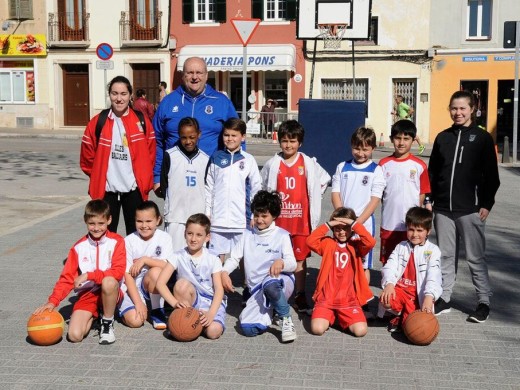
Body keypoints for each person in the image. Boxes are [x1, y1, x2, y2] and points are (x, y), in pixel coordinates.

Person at [428, 90, 500, 323]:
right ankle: (445, 297)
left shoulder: (482, 138)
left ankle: (483, 302)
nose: (458, 113)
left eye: (462, 108)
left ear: (472, 110)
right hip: (443, 209)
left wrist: (487, 203)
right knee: (446, 255)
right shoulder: (442, 137)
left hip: (471, 209)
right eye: (454, 108)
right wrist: (430, 199)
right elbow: (432, 172)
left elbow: (492, 175)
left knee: (475, 257)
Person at [261, 120, 330, 314]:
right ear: (279, 141)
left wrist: (315, 197)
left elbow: (324, 179)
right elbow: (263, 185)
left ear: (300, 142)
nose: (288, 145)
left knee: (300, 260)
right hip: (279, 223)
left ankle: (300, 294)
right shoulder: (273, 163)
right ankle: (276, 294)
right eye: (284, 141)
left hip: (301, 222)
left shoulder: (307, 162)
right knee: (277, 258)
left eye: (293, 141)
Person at [33, 200, 126, 345]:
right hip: (88, 295)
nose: (96, 228)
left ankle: (107, 323)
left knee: (108, 281)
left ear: (109, 220)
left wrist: (89, 275)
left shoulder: (117, 241)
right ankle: (96, 317)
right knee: (74, 336)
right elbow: (67, 278)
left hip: (110, 292)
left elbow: (118, 272)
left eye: (101, 223)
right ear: (85, 221)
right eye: (92, 224)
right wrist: (52, 302)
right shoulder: (78, 247)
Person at [80, 75, 156, 235]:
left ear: (130, 96)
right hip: (107, 189)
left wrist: (144, 177)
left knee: (136, 234)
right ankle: (109, 261)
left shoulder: (141, 121)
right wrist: (98, 176)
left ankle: (132, 261)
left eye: (123, 94)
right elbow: (87, 157)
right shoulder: (98, 122)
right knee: (105, 233)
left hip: (134, 188)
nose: (119, 99)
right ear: (109, 95)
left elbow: (151, 153)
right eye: (115, 93)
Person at [153, 57, 237, 197]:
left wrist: (234, 173)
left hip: (211, 177)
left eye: (199, 73)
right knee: (177, 218)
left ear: (206, 75)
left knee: (206, 218)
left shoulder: (222, 102)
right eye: (190, 73)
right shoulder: (168, 102)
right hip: (175, 176)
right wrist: (157, 177)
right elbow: (156, 141)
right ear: (183, 75)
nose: (194, 77)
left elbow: (237, 139)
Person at [221, 190, 297, 342]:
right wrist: (223, 272)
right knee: (248, 329)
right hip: (256, 289)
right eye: (257, 215)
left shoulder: (282, 235)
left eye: (264, 216)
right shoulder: (246, 235)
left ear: (274, 216)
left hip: (280, 282)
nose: (259, 220)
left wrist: (281, 262)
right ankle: (272, 309)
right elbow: (234, 258)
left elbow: (293, 264)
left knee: (270, 284)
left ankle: (286, 319)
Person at [306, 207, 375, 337]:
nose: (342, 232)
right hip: (326, 299)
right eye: (337, 229)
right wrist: (329, 224)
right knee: (317, 329)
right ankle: (331, 315)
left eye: (345, 228)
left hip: (349, 301)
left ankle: (340, 317)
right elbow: (310, 241)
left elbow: (370, 242)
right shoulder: (328, 243)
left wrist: (353, 223)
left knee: (361, 331)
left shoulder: (357, 245)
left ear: (351, 229)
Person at [156, 213, 226, 339]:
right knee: (181, 285)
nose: (193, 239)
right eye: (190, 233)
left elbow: (219, 289)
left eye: (199, 235)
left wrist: (210, 314)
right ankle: (187, 322)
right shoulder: (177, 256)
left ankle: (196, 324)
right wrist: (174, 303)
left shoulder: (213, 258)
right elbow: (160, 283)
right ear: (184, 234)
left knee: (213, 332)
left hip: (210, 301)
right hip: (190, 299)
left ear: (207, 237)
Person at [331, 126, 385, 287]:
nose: (360, 153)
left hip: (364, 224)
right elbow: (335, 193)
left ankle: (362, 301)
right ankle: (340, 296)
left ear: (373, 149)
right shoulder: (342, 167)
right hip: (342, 224)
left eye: (365, 149)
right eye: (357, 148)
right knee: (341, 260)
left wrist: (357, 223)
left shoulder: (376, 170)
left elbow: (375, 199)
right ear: (351, 146)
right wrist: (342, 219)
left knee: (363, 265)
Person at [205, 118, 262, 262]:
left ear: (242, 137)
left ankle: (247, 283)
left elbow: (256, 188)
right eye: (226, 135)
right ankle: (216, 283)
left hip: (241, 220)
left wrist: (254, 214)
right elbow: (208, 188)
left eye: (234, 135)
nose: (229, 139)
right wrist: (208, 213)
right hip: (218, 220)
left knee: (244, 256)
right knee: (216, 258)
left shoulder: (248, 160)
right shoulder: (215, 157)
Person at [380, 207, 442, 332]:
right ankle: (396, 314)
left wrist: (429, 297)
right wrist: (389, 284)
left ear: (428, 231)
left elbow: (434, 276)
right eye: (411, 229)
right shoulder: (401, 247)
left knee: (414, 329)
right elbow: (389, 266)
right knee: (385, 299)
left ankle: (401, 318)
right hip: (400, 291)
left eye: (420, 230)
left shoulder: (433, 250)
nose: (414, 234)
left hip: (417, 296)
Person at [378, 119, 431, 265]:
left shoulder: (420, 166)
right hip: (389, 222)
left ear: (413, 140)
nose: (401, 143)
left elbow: (422, 193)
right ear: (391, 139)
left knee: (409, 259)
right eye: (398, 138)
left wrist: (416, 216)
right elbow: (380, 194)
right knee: (388, 260)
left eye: (406, 139)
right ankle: (388, 284)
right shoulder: (383, 164)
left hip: (411, 225)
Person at [119, 201, 173, 330]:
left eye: (148, 221)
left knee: (156, 272)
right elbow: (127, 275)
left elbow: (168, 266)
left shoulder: (165, 238)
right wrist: (138, 302)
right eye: (139, 221)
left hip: (149, 283)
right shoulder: (128, 241)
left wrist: (145, 260)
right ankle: (123, 306)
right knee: (136, 321)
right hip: (131, 286)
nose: (144, 226)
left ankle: (156, 310)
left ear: (158, 220)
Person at [160, 117, 209, 251]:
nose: (188, 141)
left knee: (196, 256)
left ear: (199, 134)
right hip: (175, 216)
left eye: (192, 137)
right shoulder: (170, 155)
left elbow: (207, 187)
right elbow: (164, 185)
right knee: (173, 256)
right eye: (184, 137)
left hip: (198, 216)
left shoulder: (205, 159)